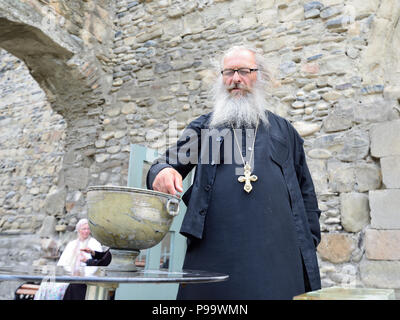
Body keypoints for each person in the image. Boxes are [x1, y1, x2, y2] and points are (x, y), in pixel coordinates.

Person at [146, 46, 321, 300]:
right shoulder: (203, 129)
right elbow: (162, 164)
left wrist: (306, 240)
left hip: (279, 260)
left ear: (258, 76)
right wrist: (162, 172)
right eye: (229, 72)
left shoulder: (285, 132)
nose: (235, 79)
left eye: (243, 71)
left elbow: (307, 195)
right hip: (214, 255)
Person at [34, 218, 112, 300]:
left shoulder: (94, 243)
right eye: (84, 229)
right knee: (47, 285)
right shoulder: (71, 244)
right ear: (78, 230)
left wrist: (85, 261)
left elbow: (98, 264)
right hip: (68, 275)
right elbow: (62, 262)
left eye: (88, 229)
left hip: (84, 278)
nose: (86, 231)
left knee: (72, 286)